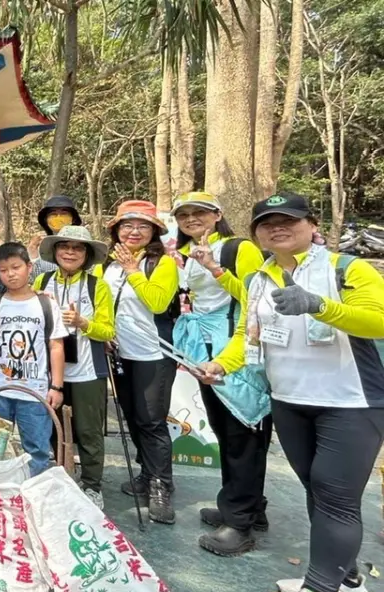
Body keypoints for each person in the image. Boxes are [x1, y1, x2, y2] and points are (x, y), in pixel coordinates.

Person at [197, 193, 384, 592]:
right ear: (257, 232)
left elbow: (377, 321)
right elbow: (249, 334)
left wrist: (320, 306)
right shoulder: (258, 279)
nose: (277, 229)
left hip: (349, 401)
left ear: (311, 224)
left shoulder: (347, 269)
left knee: (336, 498)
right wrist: (222, 364)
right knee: (316, 489)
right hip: (290, 400)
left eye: (288, 220)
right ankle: (347, 578)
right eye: (267, 223)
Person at [171, 191, 272, 556]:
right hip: (206, 351)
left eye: (200, 212)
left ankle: (240, 523)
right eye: (184, 214)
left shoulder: (238, 249)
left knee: (243, 432)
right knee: (227, 433)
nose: (191, 219)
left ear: (217, 215)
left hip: (239, 352)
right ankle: (243, 506)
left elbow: (257, 298)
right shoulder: (185, 255)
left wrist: (216, 268)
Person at [103, 200, 181, 525]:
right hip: (121, 353)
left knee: (152, 419)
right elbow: (102, 301)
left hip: (154, 353)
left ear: (153, 233)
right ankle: (146, 473)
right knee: (132, 416)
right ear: (116, 230)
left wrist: (134, 272)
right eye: (127, 225)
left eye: (142, 226)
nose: (134, 232)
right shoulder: (106, 264)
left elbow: (158, 302)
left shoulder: (162, 264)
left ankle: (162, 485)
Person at [33, 226, 116, 508]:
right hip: (49, 371)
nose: (70, 252)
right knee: (52, 427)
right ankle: (58, 476)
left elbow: (107, 331)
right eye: (64, 246)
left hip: (87, 372)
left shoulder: (97, 286)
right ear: (55, 251)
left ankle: (92, 484)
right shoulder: (42, 281)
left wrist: (82, 323)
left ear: (87, 254)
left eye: (78, 248)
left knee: (89, 430)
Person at [0, 242, 67, 476]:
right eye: (3, 269)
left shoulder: (46, 304)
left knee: (37, 450)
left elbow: (56, 345)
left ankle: (34, 496)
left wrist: (57, 386)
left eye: (16, 267)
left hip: (35, 391)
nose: (10, 274)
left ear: (29, 267)